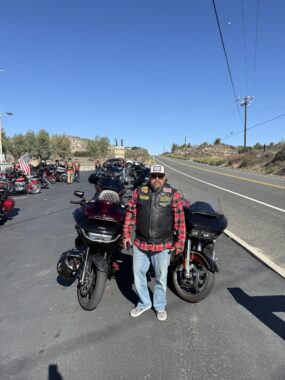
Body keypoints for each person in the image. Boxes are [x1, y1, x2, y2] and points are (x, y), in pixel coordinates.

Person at [122, 164, 186, 322]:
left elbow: (180, 220)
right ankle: (144, 303)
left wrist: (180, 242)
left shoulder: (173, 194)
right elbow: (130, 213)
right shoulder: (139, 192)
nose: (156, 179)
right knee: (138, 276)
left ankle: (159, 305)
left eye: (160, 176)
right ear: (149, 177)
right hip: (140, 244)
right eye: (154, 176)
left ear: (164, 178)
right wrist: (126, 235)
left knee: (160, 278)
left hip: (163, 246)